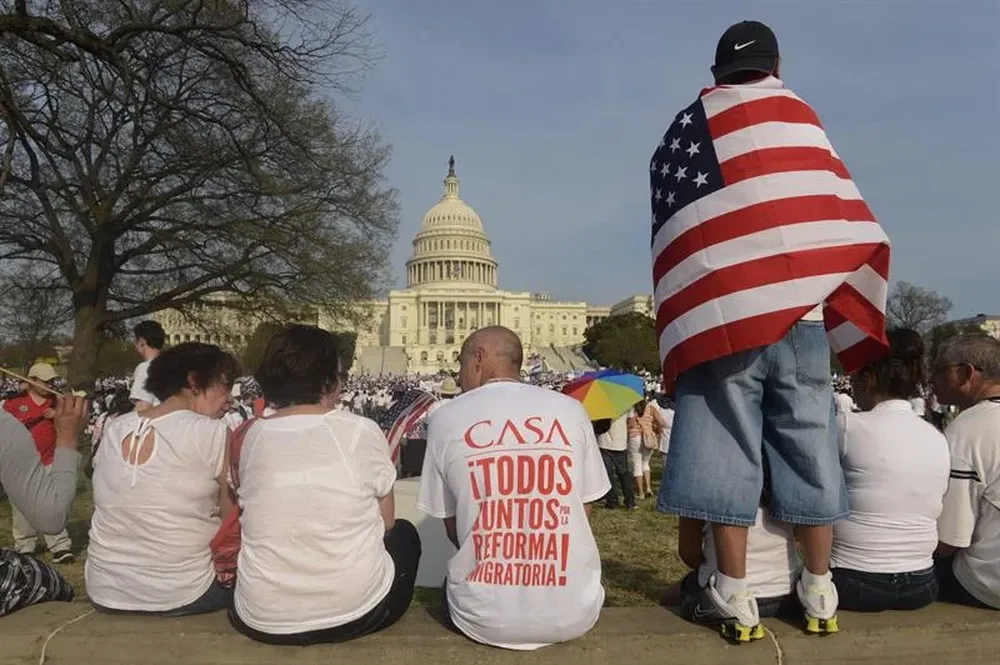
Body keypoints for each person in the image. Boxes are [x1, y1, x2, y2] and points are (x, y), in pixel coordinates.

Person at [650, 19, 891, 641]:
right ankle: (819, 585)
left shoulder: (693, 128)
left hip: (730, 316)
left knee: (722, 446)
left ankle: (734, 592)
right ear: (776, 63)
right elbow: (829, 208)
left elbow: (689, 227)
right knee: (809, 447)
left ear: (715, 73)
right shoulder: (799, 115)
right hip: (804, 320)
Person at [418, 326, 610, 651]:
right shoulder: (571, 410)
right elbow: (583, 509)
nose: (460, 376)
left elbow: (453, 529)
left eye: (461, 365)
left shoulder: (446, 418)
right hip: (574, 612)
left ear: (478, 358)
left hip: (481, 618)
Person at [229, 325, 421, 645]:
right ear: (331, 379)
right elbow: (386, 522)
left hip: (260, 616)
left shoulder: (251, 435)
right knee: (404, 534)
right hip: (356, 613)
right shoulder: (359, 429)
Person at [86, 342, 239, 615]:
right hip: (185, 590)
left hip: (104, 588)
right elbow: (230, 523)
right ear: (194, 381)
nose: (231, 398)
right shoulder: (212, 431)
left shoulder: (116, 427)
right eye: (225, 386)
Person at [832, 329, 949, 611]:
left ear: (869, 379)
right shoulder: (937, 437)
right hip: (922, 584)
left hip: (854, 580)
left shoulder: (848, 426)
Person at [665, 467, 798, 628]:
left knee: (669, 598)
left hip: (728, 595)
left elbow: (688, 552)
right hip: (789, 591)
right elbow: (800, 540)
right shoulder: (789, 473)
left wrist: (709, 567)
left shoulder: (702, 474)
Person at [0, 396, 88, 616]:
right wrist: (68, 438)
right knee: (46, 582)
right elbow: (51, 518)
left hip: (40, 465)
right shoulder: (6, 423)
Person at [933, 334, 1000, 609]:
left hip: (987, 583)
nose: (931, 380)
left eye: (938, 371)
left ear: (965, 373)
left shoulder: (967, 429)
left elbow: (950, 539)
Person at [2, 363, 74, 563]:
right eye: (44, 381)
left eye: (51, 380)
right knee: (21, 507)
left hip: (50, 459)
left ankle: (60, 546)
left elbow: (73, 424)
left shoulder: (58, 401)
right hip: (22, 465)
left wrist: (59, 416)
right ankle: (25, 545)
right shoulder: (14, 404)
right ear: (32, 381)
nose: (49, 384)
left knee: (53, 505)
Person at [598, 411, 634, 510]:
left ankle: (612, 501)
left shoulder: (602, 403)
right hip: (620, 442)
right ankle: (630, 501)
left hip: (603, 442)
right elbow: (631, 423)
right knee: (624, 474)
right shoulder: (627, 403)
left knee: (608, 474)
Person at [130, 320, 166, 412]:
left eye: (135, 340)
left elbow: (143, 407)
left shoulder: (146, 368)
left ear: (142, 342)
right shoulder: (173, 366)